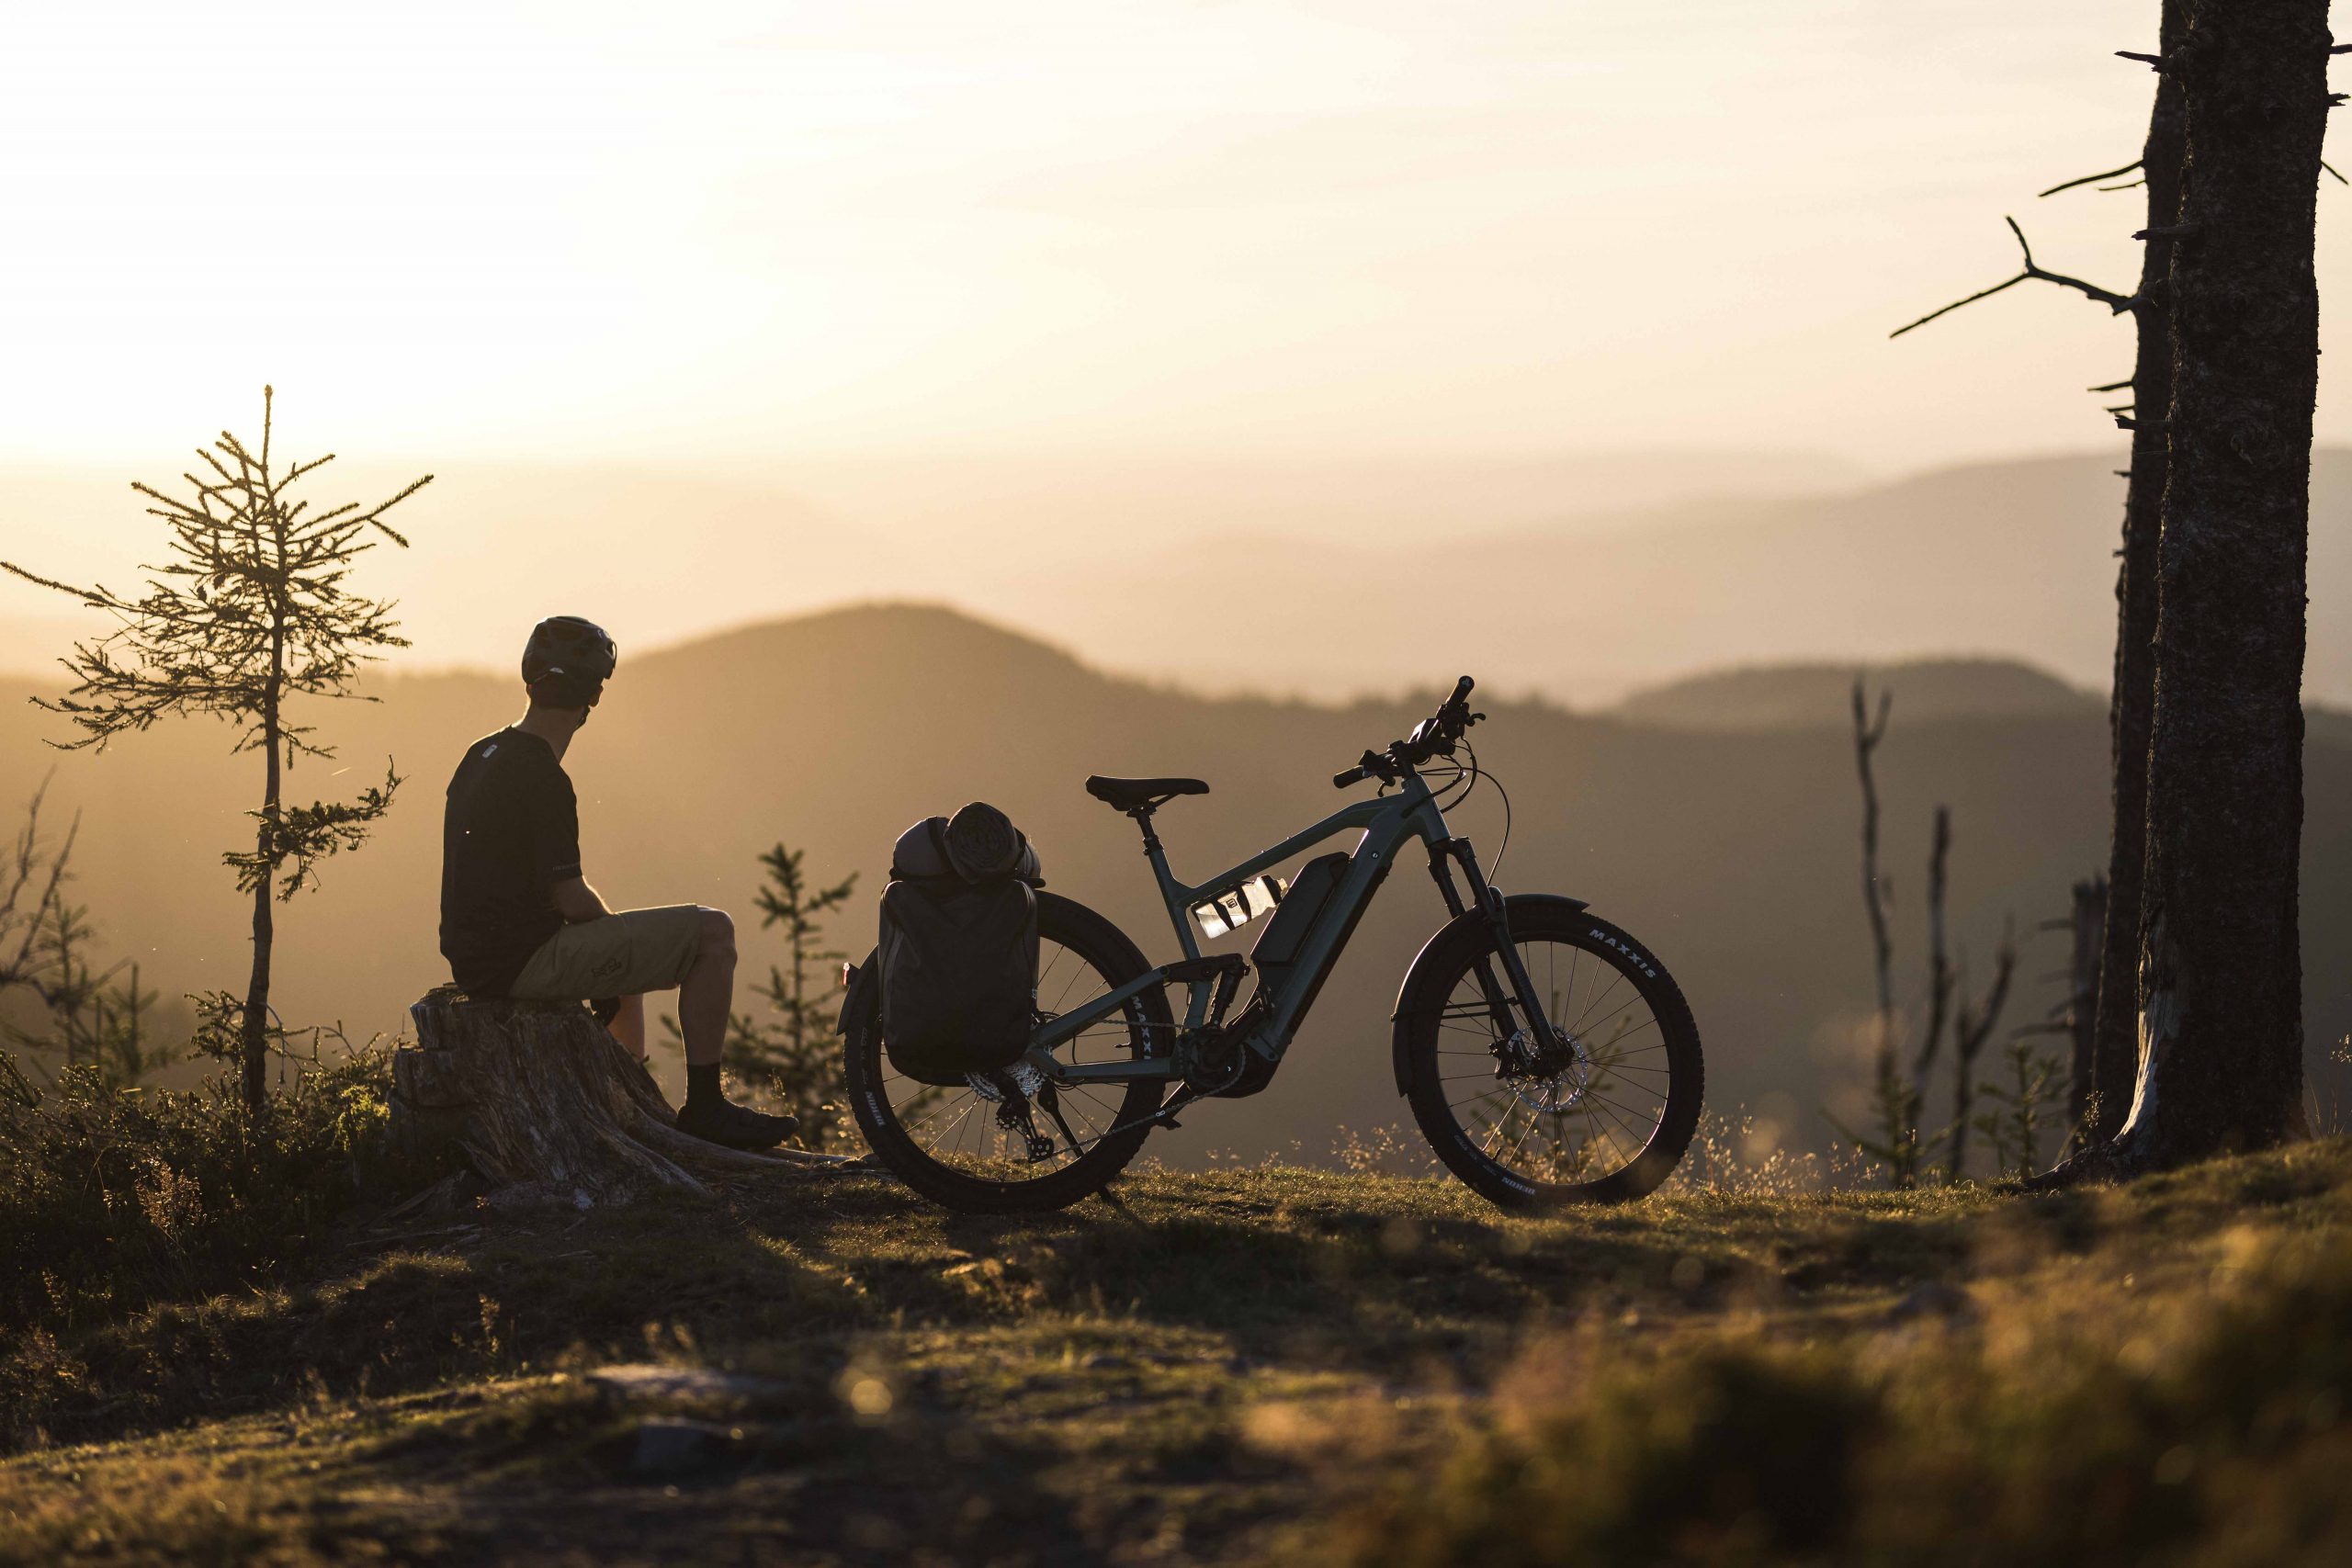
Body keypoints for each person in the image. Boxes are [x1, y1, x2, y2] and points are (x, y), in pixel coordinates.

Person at [438, 615, 795, 1151]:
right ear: (593, 696)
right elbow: (571, 897)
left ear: (529, 680)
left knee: (622, 962)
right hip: (520, 961)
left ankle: (628, 1102)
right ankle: (704, 1107)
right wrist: (608, 938)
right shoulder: (545, 779)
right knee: (713, 934)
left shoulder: (482, 753)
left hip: (477, 956)